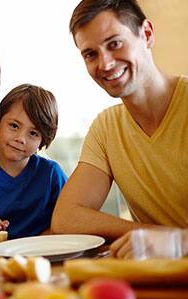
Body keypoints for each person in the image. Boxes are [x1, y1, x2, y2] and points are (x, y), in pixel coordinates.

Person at [52, 0, 188, 258]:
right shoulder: (106, 127)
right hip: (161, 281)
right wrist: (148, 234)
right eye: (90, 54)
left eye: (114, 44)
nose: (105, 64)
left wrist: (177, 242)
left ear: (146, 34)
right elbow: (66, 217)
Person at [0, 84, 67, 239]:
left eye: (33, 133)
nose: (20, 139)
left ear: (43, 140)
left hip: (46, 254)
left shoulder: (51, 174)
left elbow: (69, 218)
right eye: (14, 126)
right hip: (0, 258)